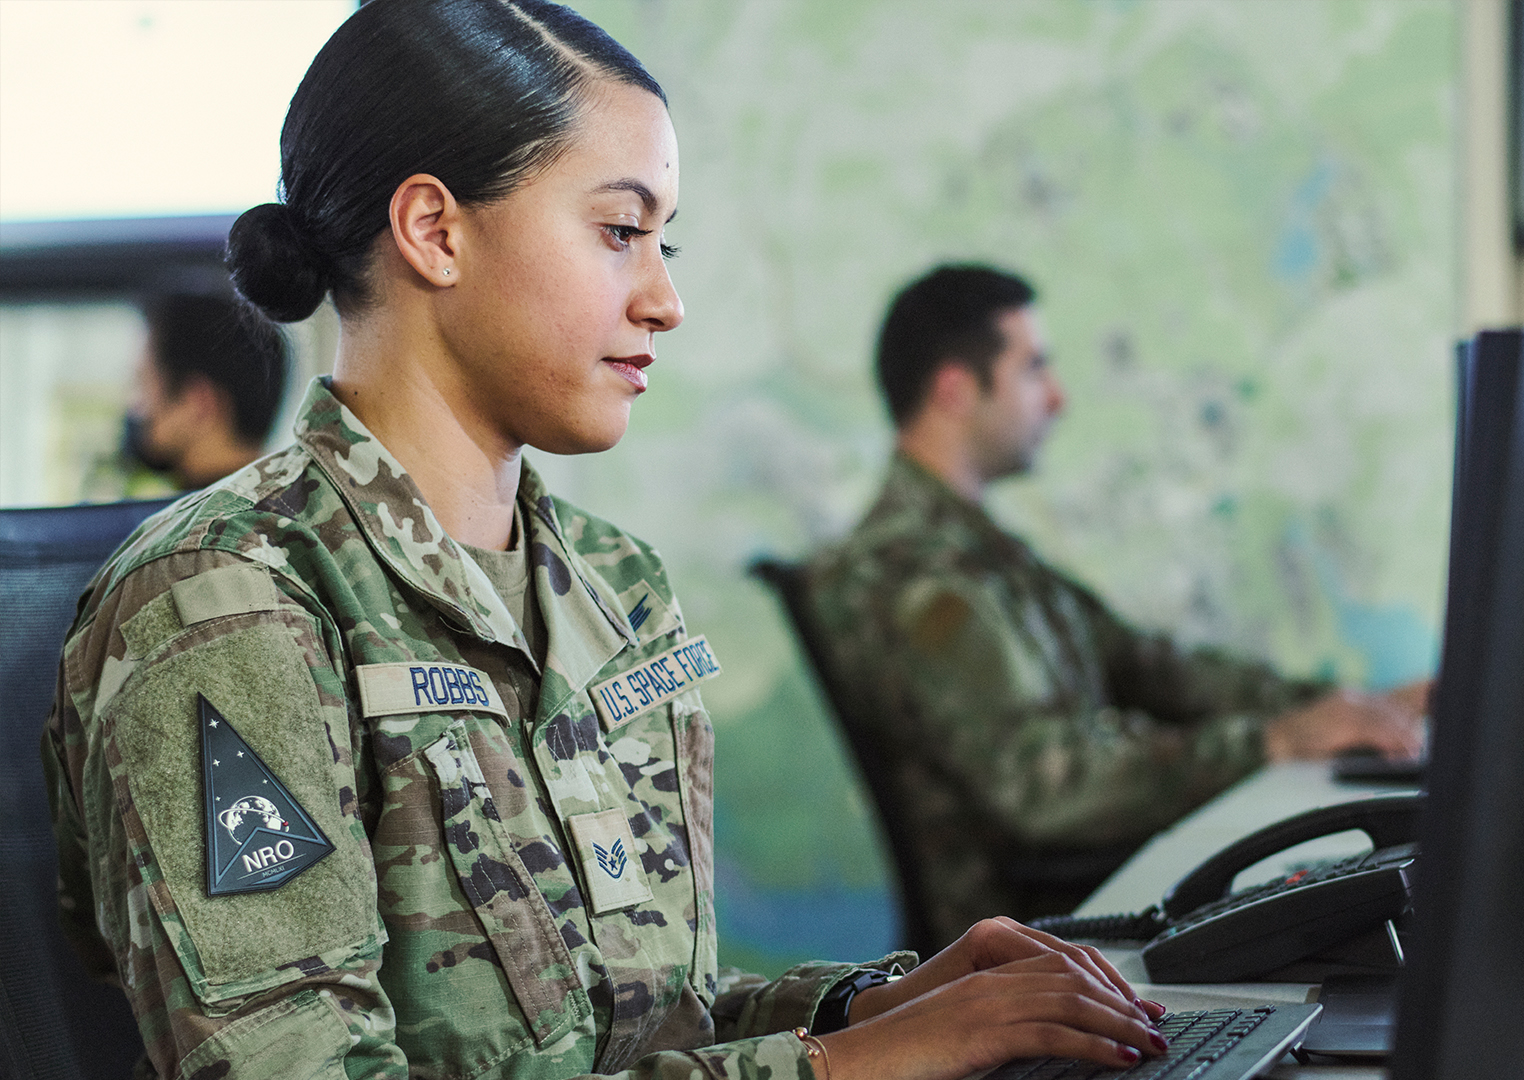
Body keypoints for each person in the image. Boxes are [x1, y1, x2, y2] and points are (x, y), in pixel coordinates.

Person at [42, 4, 1169, 1078]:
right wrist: (837, 1068)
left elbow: (631, 1027)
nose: (666, 298)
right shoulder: (228, 605)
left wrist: (882, 1008)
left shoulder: (613, 584)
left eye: (662, 240)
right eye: (622, 232)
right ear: (435, 230)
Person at [807, 264, 1429, 948]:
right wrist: (1270, 741)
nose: (1058, 398)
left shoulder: (977, 549)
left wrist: (1341, 706)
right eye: (1034, 369)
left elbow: (1151, 666)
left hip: (1087, 897)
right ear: (956, 389)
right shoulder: (914, 575)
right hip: (1024, 942)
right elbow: (1047, 783)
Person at [85, 291, 291, 500]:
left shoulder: (192, 526)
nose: (133, 405)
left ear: (198, 404)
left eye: (141, 384)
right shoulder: (289, 510)